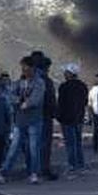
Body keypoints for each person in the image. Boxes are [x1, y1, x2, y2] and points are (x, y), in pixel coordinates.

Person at [0, 56, 45, 185]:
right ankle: (3, 172)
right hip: (20, 120)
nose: (24, 71)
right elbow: (10, 96)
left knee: (33, 147)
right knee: (14, 147)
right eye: (22, 68)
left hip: (34, 120)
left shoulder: (39, 82)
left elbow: (35, 100)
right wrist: (19, 101)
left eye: (26, 68)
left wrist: (26, 103)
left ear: (32, 68)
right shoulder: (19, 82)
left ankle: (33, 173)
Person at [30, 52, 59, 181]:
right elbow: (50, 100)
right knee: (44, 144)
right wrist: (54, 113)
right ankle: (44, 169)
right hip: (45, 116)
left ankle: (33, 170)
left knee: (32, 144)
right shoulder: (46, 81)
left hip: (30, 116)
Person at [57, 63, 89, 173]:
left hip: (67, 119)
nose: (64, 74)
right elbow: (85, 102)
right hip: (79, 118)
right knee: (78, 142)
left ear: (70, 74)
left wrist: (59, 116)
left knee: (70, 143)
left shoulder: (64, 87)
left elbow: (61, 104)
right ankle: (81, 164)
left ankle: (72, 165)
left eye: (66, 72)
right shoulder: (83, 86)